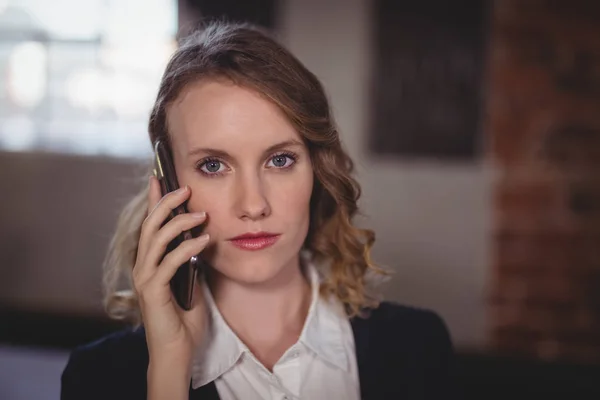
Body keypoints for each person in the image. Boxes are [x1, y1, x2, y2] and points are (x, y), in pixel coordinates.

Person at [60, 20, 455, 400]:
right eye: (213, 165)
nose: (253, 205)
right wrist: (169, 371)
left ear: (317, 168)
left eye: (280, 160)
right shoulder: (97, 378)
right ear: (168, 183)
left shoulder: (418, 346)